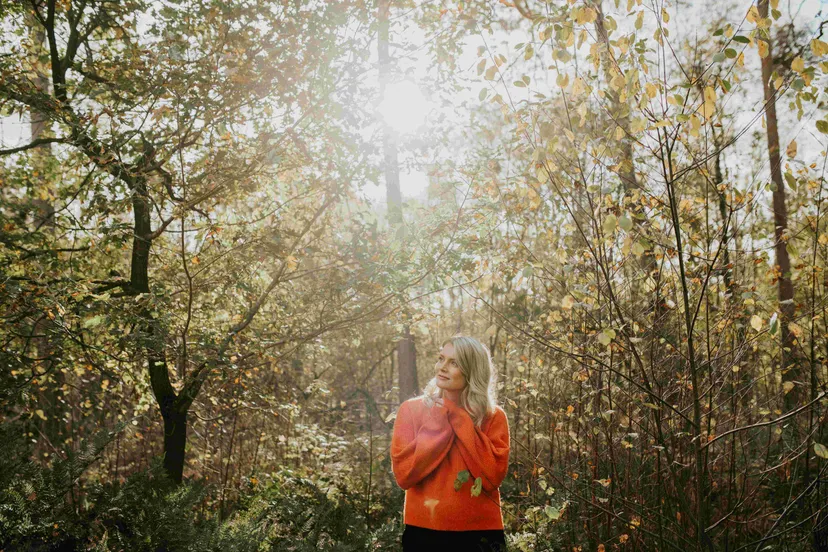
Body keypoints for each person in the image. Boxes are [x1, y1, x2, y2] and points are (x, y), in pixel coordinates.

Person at [391, 335, 510, 551]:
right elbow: (404, 474)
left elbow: (491, 477)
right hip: (424, 532)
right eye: (441, 358)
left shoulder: (493, 417)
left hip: (482, 534)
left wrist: (457, 416)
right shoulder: (411, 410)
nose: (442, 367)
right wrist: (438, 419)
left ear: (472, 370)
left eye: (454, 363)